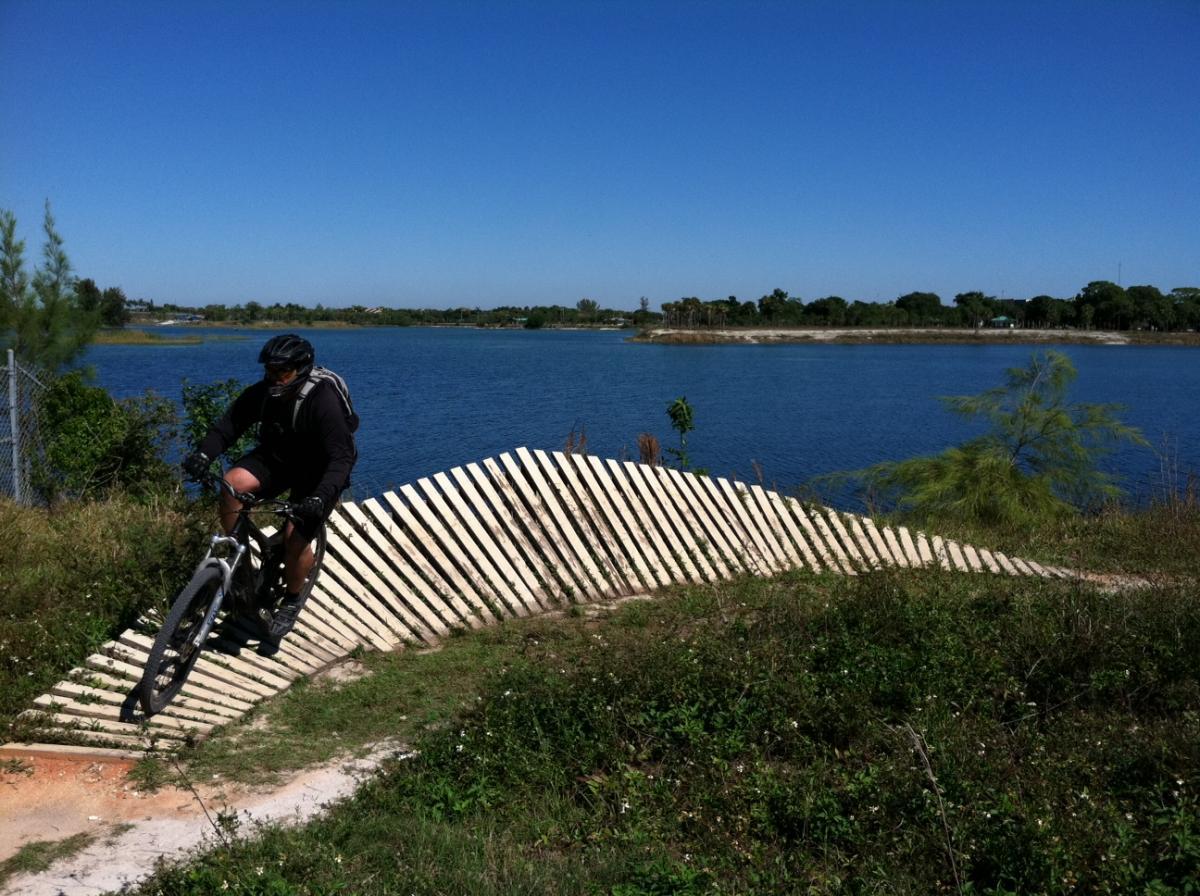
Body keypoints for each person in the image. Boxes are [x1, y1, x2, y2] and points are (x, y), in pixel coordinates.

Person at [182, 334, 357, 651]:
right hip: (279, 459)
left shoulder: (322, 399)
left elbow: (342, 457)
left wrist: (319, 497)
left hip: (319, 471)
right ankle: (241, 563)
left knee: (295, 537)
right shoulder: (264, 393)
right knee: (232, 483)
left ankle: (290, 600)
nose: (274, 378)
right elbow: (229, 425)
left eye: (282, 372)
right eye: (270, 371)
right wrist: (203, 455)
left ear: (300, 370)